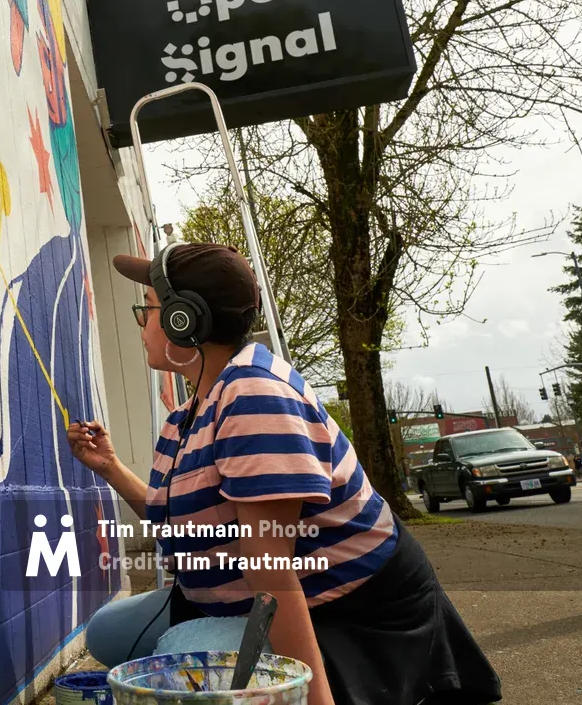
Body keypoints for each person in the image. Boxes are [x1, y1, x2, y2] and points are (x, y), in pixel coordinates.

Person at [67, 242, 501, 705]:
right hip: (245, 600)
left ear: (184, 320)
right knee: (108, 632)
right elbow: (176, 521)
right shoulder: (190, 413)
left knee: (179, 658)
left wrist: (312, 699)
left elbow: (271, 568)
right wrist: (110, 466)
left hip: (346, 613)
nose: (141, 323)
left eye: (147, 310)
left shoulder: (253, 395)